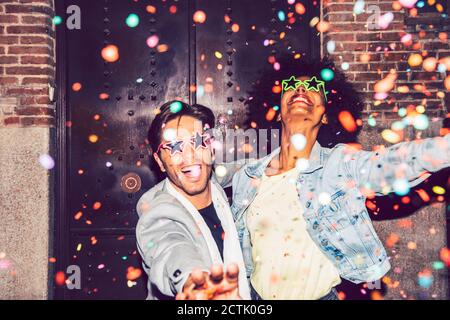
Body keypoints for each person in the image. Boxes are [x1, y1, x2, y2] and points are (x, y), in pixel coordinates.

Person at [231, 57, 450, 300]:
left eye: (315, 87)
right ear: (278, 113)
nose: (301, 89)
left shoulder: (340, 164)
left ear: (325, 116)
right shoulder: (247, 177)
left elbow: (393, 162)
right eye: (291, 85)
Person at [136, 100, 251, 300]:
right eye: (174, 147)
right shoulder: (157, 212)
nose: (190, 156)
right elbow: (170, 248)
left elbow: (248, 168)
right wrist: (194, 281)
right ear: (159, 162)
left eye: (199, 142)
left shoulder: (214, 181)